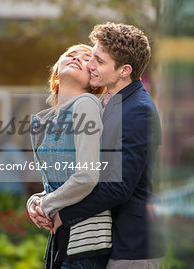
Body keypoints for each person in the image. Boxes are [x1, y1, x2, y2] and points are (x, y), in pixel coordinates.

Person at [35, 22, 163, 268]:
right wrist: (40, 200)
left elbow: (119, 187)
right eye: (92, 56)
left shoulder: (139, 111)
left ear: (124, 70)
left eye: (99, 61)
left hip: (132, 246)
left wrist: (63, 214)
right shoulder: (109, 103)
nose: (90, 65)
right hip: (106, 240)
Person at [26, 44, 111, 269]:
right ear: (56, 72)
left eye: (86, 59)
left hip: (85, 240)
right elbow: (56, 184)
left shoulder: (86, 104)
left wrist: (46, 204)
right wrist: (34, 203)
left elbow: (87, 176)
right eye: (71, 55)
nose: (77, 59)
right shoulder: (48, 120)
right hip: (64, 239)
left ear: (94, 81)